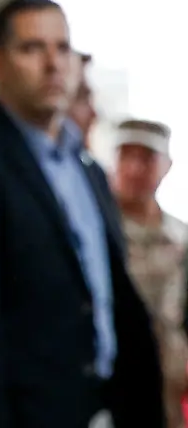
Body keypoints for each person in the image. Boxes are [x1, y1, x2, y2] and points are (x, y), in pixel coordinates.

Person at [0, 0, 164, 428]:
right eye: (31, 48)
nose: (53, 64)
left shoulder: (89, 170)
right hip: (26, 413)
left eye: (63, 48)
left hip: (101, 405)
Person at [113, 118, 188, 428]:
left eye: (146, 158)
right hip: (114, 388)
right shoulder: (98, 234)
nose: (134, 169)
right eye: (125, 156)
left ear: (167, 165)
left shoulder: (181, 239)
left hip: (170, 391)